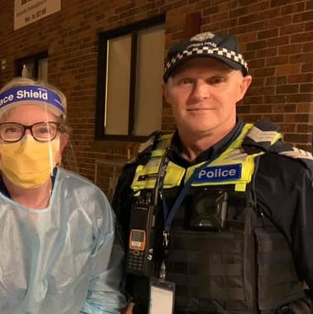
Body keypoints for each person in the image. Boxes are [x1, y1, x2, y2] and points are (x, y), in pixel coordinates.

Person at [112, 32, 313, 313]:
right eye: (185, 81)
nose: (199, 93)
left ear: (242, 87)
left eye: (216, 80)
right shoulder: (139, 170)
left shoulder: (284, 172)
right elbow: (113, 269)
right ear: (165, 92)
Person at [0, 77, 127, 313]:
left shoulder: (89, 205)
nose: (28, 142)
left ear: (61, 145)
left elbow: (104, 297)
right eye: (12, 130)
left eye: (43, 130)